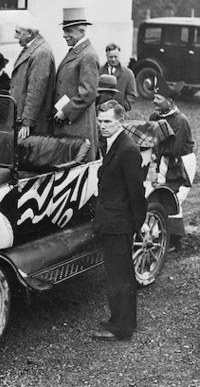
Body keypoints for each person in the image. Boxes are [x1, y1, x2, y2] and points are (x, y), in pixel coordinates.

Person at [92, 100, 146, 341]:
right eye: (100, 121)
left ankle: (121, 329)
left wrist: (136, 225)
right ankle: (122, 321)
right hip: (113, 220)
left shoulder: (127, 150)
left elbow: (137, 193)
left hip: (120, 223)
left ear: (120, 122)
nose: (102, 126)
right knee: (117, 275)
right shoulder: (113, 143)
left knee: (120, 277)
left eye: (108, 122)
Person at [149, 77, 195, 251]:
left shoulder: (180, 121)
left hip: (181, 162)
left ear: (169, 101)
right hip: (163, 160)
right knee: (160, 194)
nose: (154, 101)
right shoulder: (155, 116)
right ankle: (164, 235)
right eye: (154, 97)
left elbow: (172, 150)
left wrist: (154, 153)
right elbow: (150, 139)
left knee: (174, 198)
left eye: (158, 99)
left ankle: (175, 241)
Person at [53, 7, 100, 160]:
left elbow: (88, 92)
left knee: (78, 164)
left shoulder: (87, 55)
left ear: (81, 31)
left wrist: (65, 112)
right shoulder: (77, 51)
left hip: (78, 124)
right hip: (70, 123)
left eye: (69, 31)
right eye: (64, 31)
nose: (64, 35)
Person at [10, 22, 56, 138]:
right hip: (23, 119)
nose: (15, 36)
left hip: (32, 124)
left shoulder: (41, 52)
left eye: (18, 33)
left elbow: (36, 91)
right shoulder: (33, 49)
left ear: (29, 33)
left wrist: (27, 121)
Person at [100, 43, 136, 112]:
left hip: (119, 113)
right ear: (106, 56)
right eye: (110, 57)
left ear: (119, 56)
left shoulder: (128, 73)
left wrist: (123, 107)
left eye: (116, 57)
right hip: (101, 112)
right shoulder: (99, 71)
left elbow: (131, 95)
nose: (113, 60)